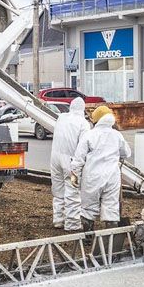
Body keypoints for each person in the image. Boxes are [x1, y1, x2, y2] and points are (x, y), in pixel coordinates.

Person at [70, 106, 131, 231]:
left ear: (96, 120)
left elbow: (79, 158)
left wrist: (75, 175)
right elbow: (126, 153)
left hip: (92, 177)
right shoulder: (117, 135)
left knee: (88, 208)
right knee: (111, 208)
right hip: (112, 177)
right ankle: (110, 236)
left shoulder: (89, 135)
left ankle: (88, 235)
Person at [50, 97, 90, 230]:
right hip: (71, 163)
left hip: (55, 159)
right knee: (73, 191)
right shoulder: (83, 123)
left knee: (58, 190)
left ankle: (58, 220)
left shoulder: (61, 118)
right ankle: (72, 224)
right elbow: (84, 146)